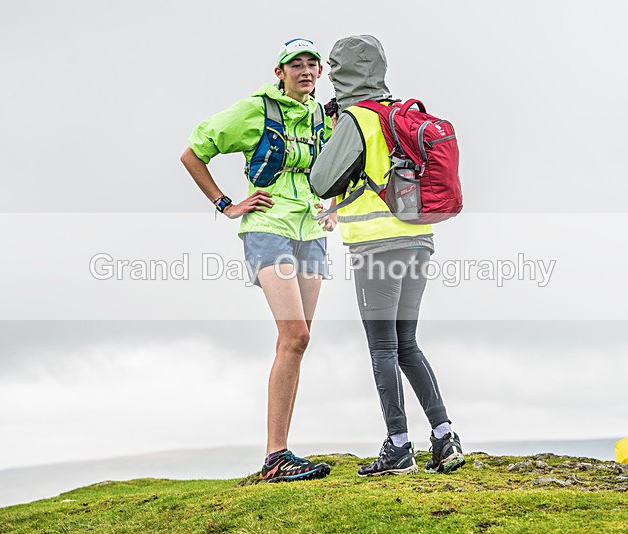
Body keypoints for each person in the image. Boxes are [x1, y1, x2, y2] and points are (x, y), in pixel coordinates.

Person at [180, 38, 336, 482]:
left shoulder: (323, 117)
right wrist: (226, 204)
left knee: (298, 342)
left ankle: (279, 453)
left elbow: (341, 168)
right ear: (279, 72)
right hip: (268, 227)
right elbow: (193, 153)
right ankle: (275, 455)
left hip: (311, 232)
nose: (305, 71)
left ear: (320, 72)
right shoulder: (255, 109)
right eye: (295, 64)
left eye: (312, 64)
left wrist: (335, 207)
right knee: (294, 333)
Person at [310, 35, 465, 477]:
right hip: (419, 240)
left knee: (383, 347)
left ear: (341, 74)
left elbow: (322, 181)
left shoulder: (356, 118)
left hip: (376, 245)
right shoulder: (398, 113)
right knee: (407, 343)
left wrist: (334, 132)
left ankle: (398, 446)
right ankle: (444, 437)